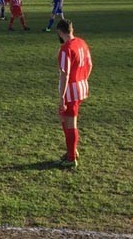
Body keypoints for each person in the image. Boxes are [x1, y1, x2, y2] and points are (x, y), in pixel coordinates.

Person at [55, 19, 92, 169]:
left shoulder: (66, 48)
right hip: (82, 86)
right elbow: (90, 65)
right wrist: (83, 79)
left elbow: (65, 73)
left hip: (71, 90)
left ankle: (71, 158)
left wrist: (62, 96)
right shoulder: (81, 43)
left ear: (60, 32)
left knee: (70, 122)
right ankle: (71, 151)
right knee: (65, 118)